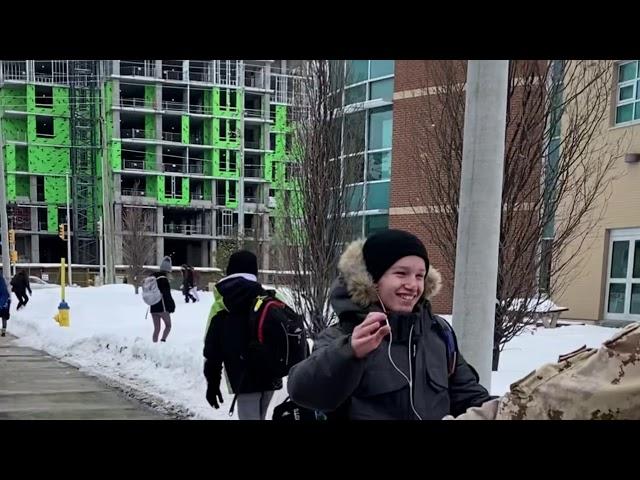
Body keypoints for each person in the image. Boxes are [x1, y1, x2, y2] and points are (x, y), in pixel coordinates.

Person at [287, 229, 491, 420]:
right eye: (401, 273)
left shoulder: (439, 333)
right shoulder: (342, 336)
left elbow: (469, 396)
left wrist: (510, 406)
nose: (412, 285)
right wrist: (350, 352)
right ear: (371, 281)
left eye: (420, 276)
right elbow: (303, 392)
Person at [203, 250, 282, 420]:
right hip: (271, 375)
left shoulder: (222, 304)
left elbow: (212, 350)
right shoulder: (271, 298)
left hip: (243, 379)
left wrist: (212, 383)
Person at [149, 256, 175, 343]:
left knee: (156, 329)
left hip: (153, 307)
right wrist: (171, 306)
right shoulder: (164, 280)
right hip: (162, 308)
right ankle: (163, 342)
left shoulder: (153, 277)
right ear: (168, 270)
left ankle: (154, 346)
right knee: (168, 325)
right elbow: (167, 295)